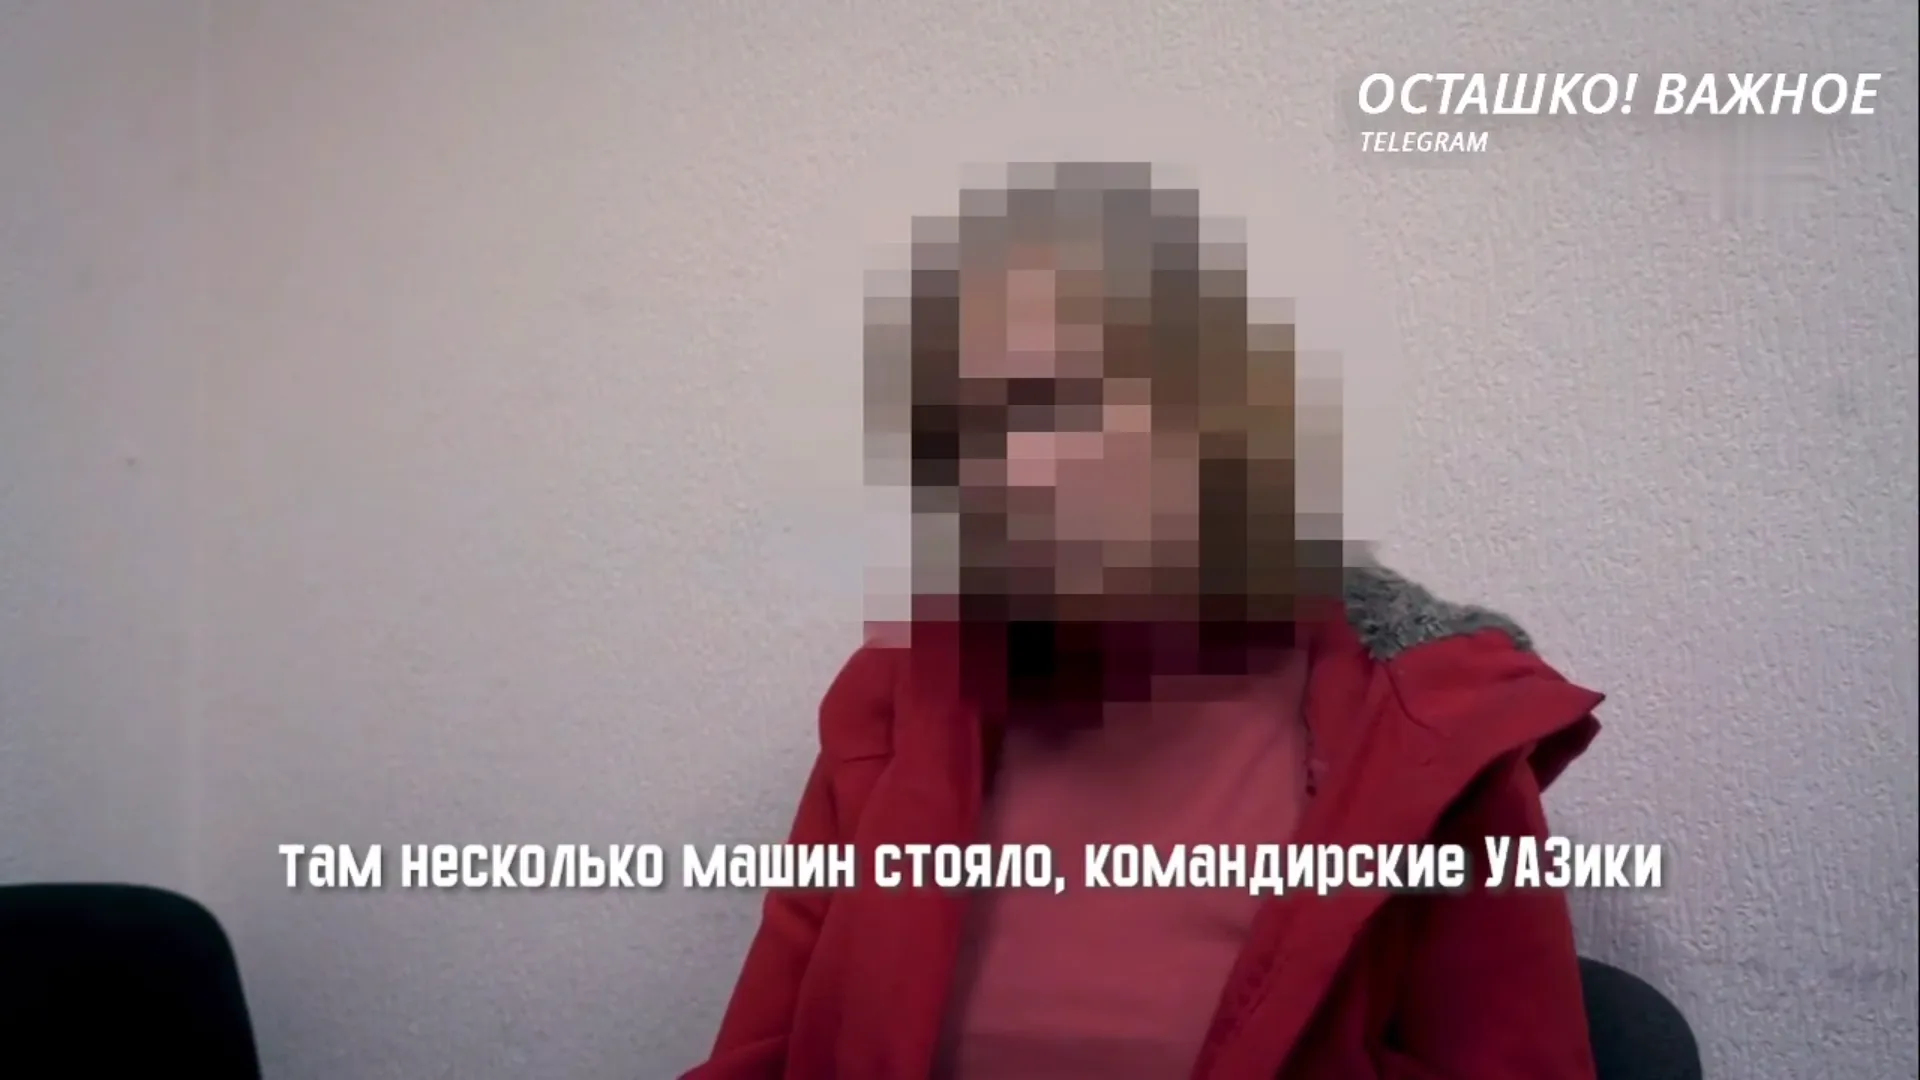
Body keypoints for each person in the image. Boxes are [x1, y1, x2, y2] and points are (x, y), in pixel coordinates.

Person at [682, 162, 1604, 1080]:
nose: (1005, 471)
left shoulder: (1423, 732)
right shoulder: (895, 705)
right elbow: (765, 1055)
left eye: (1056, 404)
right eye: (964, 430)